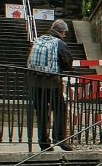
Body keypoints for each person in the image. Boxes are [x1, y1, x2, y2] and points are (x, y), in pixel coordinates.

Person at [28, 19, 73, 151]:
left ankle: (44, 143)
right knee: (60, 109)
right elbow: (67, 62)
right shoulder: (59, 43)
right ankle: (59, 138)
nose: (64, 35)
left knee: (41, 112)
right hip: (52, 83)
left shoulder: (38, 40)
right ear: (62, 31)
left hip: (34, 82)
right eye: (64, 33)